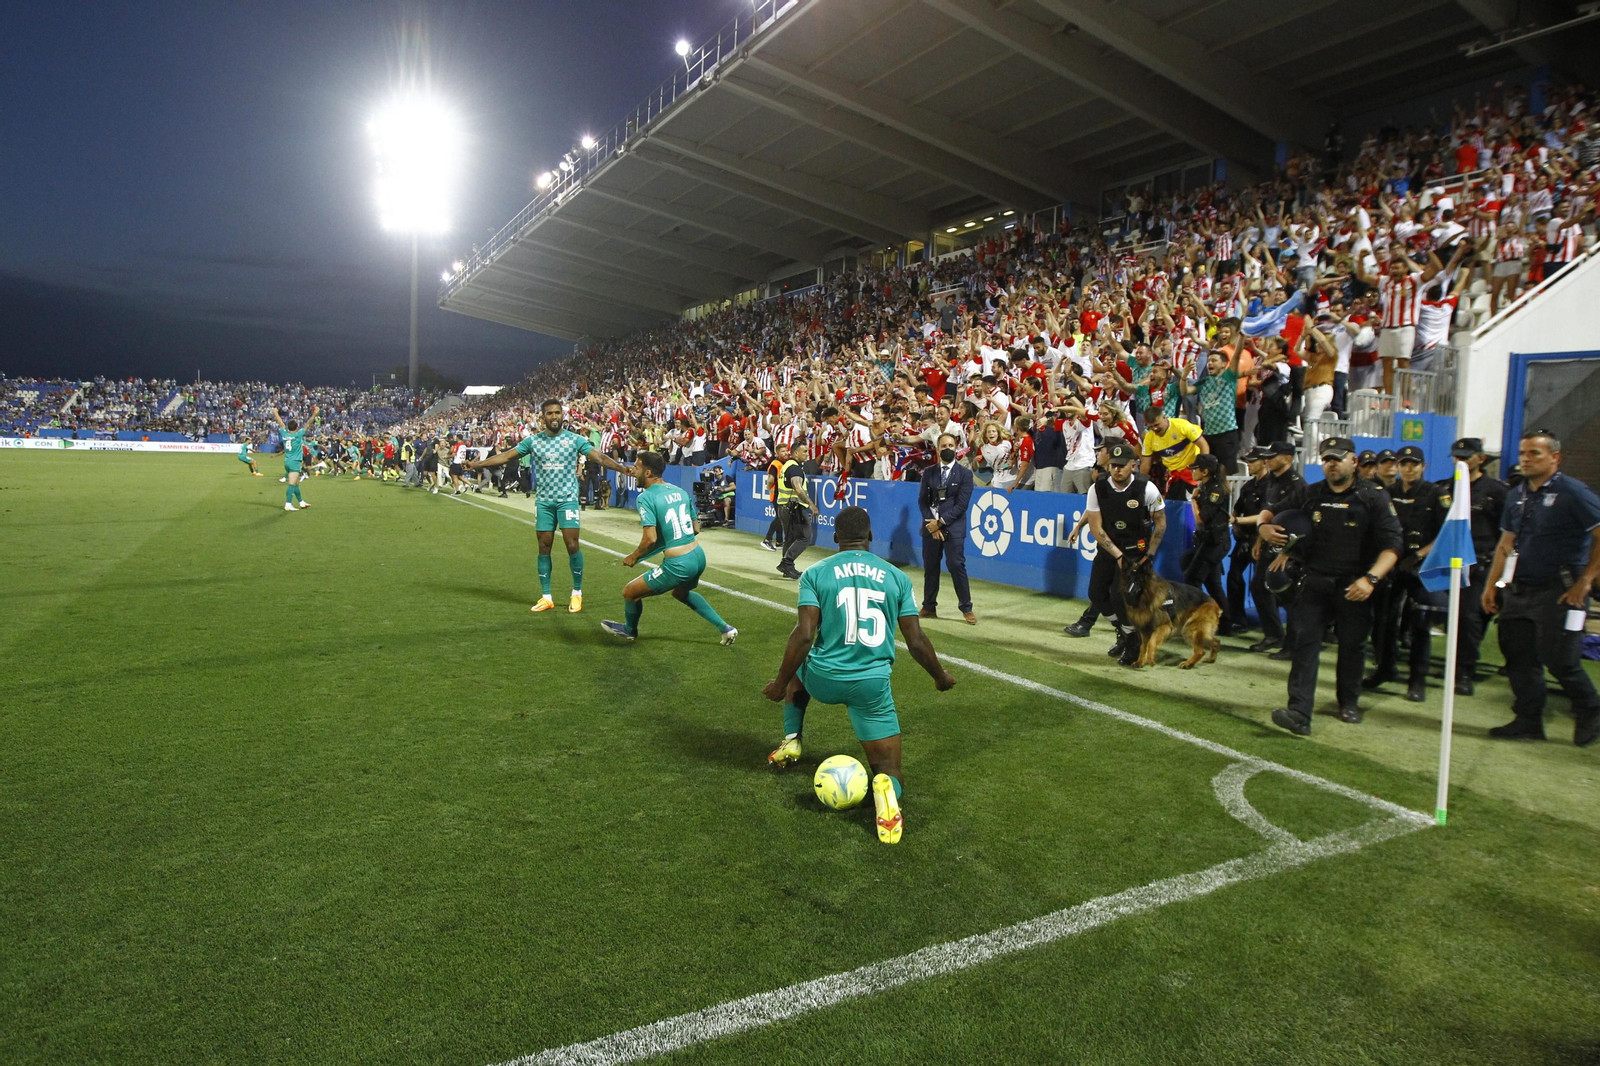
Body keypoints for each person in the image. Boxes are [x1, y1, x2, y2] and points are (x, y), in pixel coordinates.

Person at [762, 505, 957, 845]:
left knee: (798, 667)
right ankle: (886, 790)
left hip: (824, 678)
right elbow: (916, 640)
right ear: (870, 537)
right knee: (890, 769)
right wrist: (939, 677)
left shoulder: (816, 573)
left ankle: (792, 739)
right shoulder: (896, 577)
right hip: (871, 685)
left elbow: (804, 635)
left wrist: (780, 682)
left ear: (836, 538)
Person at [1261, 437, 1402, 735]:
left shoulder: (1373, 497)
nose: (1331, 463)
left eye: (1338, 458)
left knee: (1352, 647)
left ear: (1353, 461)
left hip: (1355, 585)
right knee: (1305, 645)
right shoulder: (1310, 494)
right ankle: (1299, 712)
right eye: (1326, 458)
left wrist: (1371, 579)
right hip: (1314, 582)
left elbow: (1392, 547)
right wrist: (1264, 527)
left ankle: (1348, 702)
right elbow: (1270, 511)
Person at [1482, 430, 1600, 745]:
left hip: (1560, 590)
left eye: (1534, 453)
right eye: (1523, 453)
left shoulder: (1574, 493)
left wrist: (1585, 582)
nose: (1526, 459)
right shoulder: (1517, 494)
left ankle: (1590, 709)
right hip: (1520, 589)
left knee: (1561, 659)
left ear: (1554, 457)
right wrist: (1491, 586)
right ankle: (1528, 719)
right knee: (1518, 656)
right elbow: (1506, 544)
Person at [466, 398, 633, 614]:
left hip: (567, 500)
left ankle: (577, 594)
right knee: (544, 547)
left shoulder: (574, 439)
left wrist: (621, 468)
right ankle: (547, 597)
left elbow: (598, 456)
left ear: (562, 415)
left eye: (557, 413)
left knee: (572, 545)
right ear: (542, 417)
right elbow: (507, 455)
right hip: (544, 501)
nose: (554, 417)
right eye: (550, 413)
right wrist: (476, 464)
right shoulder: (533, 441)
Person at [600, 451, 737, 646]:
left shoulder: (645, 497)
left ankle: (630, 630)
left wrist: (634, 557)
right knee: (680, 593)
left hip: (679, 564)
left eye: (637, 468)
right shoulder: (678, 490)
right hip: (698, 556)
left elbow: (650, 538)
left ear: (647, 473)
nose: (634, 471)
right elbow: (696, 528)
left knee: (630, 593)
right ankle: (726, 629)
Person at [1364, 444, 1450, 700]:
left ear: (1424, 466)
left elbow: (1445, 534)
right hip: (1392, 565)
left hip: (1421, 568)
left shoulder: (1437, 494)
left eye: (1414, 464)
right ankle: (1386, 668)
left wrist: (1417, 556)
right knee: (1385, 621)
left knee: (1420, 623)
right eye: (1404, 464)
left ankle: (1417, 680)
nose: (1408, 469)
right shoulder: (1387, 492)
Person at [1082, 441, 1166, 666]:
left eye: (1121, 465)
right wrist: (1118, 556)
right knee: (1096, 594)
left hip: (1136, 554)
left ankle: (1132, 643)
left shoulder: (1147, 488)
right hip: (1109, 550)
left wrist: (1150, 553)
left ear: (1133, 465)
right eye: (1113, 465)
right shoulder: (1097, 488)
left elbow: (1161, 521)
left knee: (1120, 597)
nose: (1116, 469)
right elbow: (1096, 528)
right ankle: (1124, 632)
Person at [1436, 437, 1507, 694]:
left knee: (1470, 618)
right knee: (1451, 617)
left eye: (1466, 457)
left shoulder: (1497, 491)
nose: (1460, 462)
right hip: (1448, 563)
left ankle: (1464, 671)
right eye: (1457, 457)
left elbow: (1507, 531)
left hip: (1481, 563)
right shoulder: (1444, 488)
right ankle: (1454, 664)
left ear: (1481, 458)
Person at [1249, 441, 1303, 656]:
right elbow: (1268, 512)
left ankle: (1292, 645)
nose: (1267, 460)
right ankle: (1274, 635)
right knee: (1259, 587)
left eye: (1273, 456)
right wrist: (1260, 539)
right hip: (1270, 543)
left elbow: (1301, 523)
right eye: (1267, 456)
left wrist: (1287, 554)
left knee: (1289, 597)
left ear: (1288, 458)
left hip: (1289, 548)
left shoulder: (1298, 486)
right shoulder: (1271, 480)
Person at [917, 433, 976, 624]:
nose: (948, 448)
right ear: (937, 449)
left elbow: (962, 505)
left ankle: (966, 608)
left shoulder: (965, 474)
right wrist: (932, 525)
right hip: (931, 527)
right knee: (931, 567)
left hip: (954, 527)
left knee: (956, 565)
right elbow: (923, 501)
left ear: (956, 447)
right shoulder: (929, 472)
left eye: (951, 445)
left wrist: (940, 522)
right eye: (944, 446)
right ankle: (929, 606)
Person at [1182, 454, 1231, 627]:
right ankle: (1226, 621)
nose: (1192, 472)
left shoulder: (1215, 490)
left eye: (1195, 469)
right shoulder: (1206, 487)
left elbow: (1201, 519)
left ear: (1205, 471)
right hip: (1210, 541)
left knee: (1193, 580)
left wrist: (1193, 500)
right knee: (1213, 584)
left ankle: (1196, 619)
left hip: (1216, 542)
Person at [1225, 446, 1270, 633]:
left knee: (1263, 583)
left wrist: (1237, 520)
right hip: (1245, 537)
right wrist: (1236, 525)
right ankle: (1238, 619)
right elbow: (1237, 507)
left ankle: (1269, 624)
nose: (1249, 465)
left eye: (1253, 461)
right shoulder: (1249, 485)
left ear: (1264, 462)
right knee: (1234, 576)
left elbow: (1266, 515)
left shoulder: (1271, 486)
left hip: (1264, 537)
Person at [774, 442, 819, 580]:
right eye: (804, 451)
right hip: (794, 508)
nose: (807, 453)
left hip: (784, 506)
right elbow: (798, 489)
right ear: (795, 453)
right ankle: (787, 563)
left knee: (790, 538)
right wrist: (811, 504)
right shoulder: (795, 469)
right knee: (805, 537)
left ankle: (787, 568)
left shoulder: (787, 466)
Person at [1139, 410, 1208, 500]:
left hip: (1192, 473)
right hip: (1173, 476)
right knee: (1173, 506)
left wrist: (1201, 469)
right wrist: (1140, 485)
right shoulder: (1149, 438)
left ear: (1164, 417)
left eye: (1157, 425)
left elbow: (1204, 446)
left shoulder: (1182, 426)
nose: (1155, 429)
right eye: (1151, 426)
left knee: (1194, 505)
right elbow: (1145, 464)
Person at [272, 406, 318, 512]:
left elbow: (280, 423)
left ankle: (301, 502)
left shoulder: (284, 434)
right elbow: (308, 424)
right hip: (295, 462)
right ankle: (288, 504)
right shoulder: (298, 435)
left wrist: (275, 413)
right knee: (292, 484)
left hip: (287, 461)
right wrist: (314, 414)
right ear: (297, 428)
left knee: (296, 483)